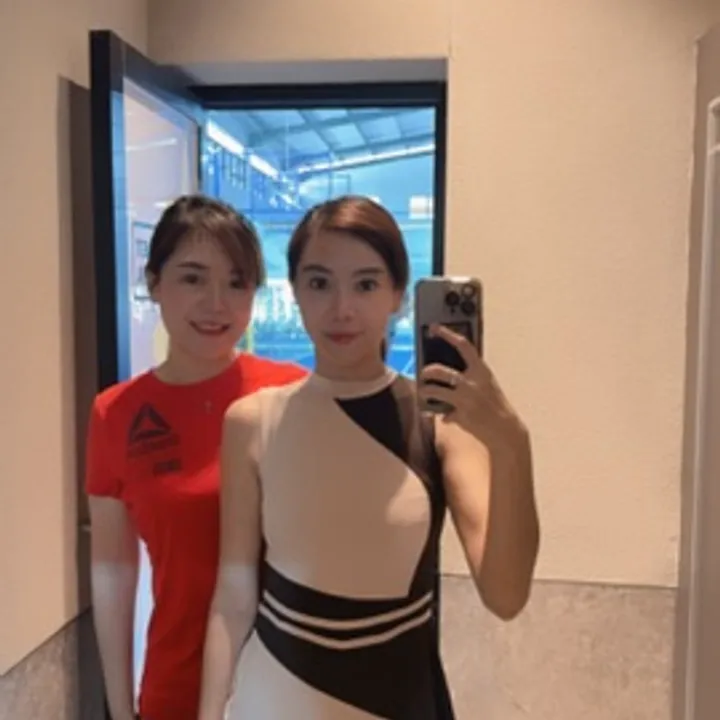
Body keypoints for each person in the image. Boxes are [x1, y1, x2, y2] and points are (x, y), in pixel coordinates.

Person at [199, 195, 541, 720]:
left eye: (365, 284)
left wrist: (512, 442)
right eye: (319, 283)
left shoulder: (439, 425)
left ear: (398, 295)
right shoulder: (252, 421)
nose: (342, 309)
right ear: (296, 292)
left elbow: (506, 596)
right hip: (274, 695)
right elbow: (233, 594)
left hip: (399, 699)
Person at [84, 195, 307, 720]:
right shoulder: (117, 413)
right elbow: (113, 569)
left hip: (291, 687)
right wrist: (120, 709)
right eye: (192, 278)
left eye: (237, 282)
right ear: (154, 283)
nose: (217, 304)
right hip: (177, 686)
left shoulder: (292, 395)